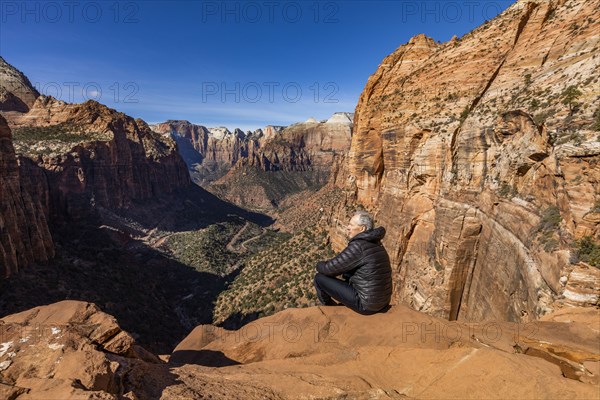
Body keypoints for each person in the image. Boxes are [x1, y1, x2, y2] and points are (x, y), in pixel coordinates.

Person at [314, 210, 392, 315]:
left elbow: (329, 269)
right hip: (382, 301)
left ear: (362, 228)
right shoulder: (377, 244)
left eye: (351, 225)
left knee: (319, 278)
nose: (348, 228)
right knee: (346, 274)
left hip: (366, 304)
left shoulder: (358, 246)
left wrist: (318, 264)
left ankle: (331, 311)